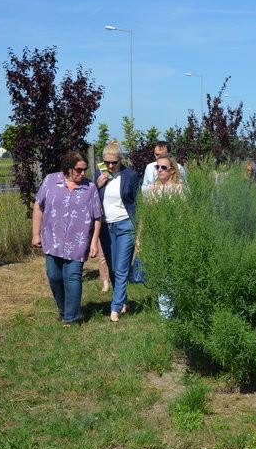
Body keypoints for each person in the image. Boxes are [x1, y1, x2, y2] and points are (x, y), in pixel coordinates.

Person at [32, 150, 102, 327]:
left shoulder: (90, 188)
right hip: (52, 239)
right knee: (54, 277)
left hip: (78, 242)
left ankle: (71, 318)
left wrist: (94, 242)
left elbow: (97, 217)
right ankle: (63, 311)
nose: (82, 173)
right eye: (79, 169)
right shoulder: (50, 181)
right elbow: (38, 206)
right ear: (69, 168)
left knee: (73, 278)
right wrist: (35, 234)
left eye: (85, 169)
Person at [96, 139, 139, 322]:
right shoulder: (100, 174)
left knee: (121, 268)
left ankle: (114, 308)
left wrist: (139, 227)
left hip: (125, 225)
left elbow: (137, 202)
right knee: (113, 268)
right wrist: (97, 185)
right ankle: (123, 301)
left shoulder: (131, 175)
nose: (111, 166)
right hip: (106, 227)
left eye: (114, 162)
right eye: (107, 162)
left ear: (120, 160)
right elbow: (91, 198)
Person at [143, 152, 186, 318]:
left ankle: (173, 308)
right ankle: (166, 314)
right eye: (157, 167)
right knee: (161, 273)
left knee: (173, 273)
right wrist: (139, 238)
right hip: (156, 236)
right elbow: (145, 215)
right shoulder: (151, 189)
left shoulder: (179, 189)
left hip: (175, 235)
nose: (159, 170)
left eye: (163, 167)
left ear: (172, 170)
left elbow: (186, 213)